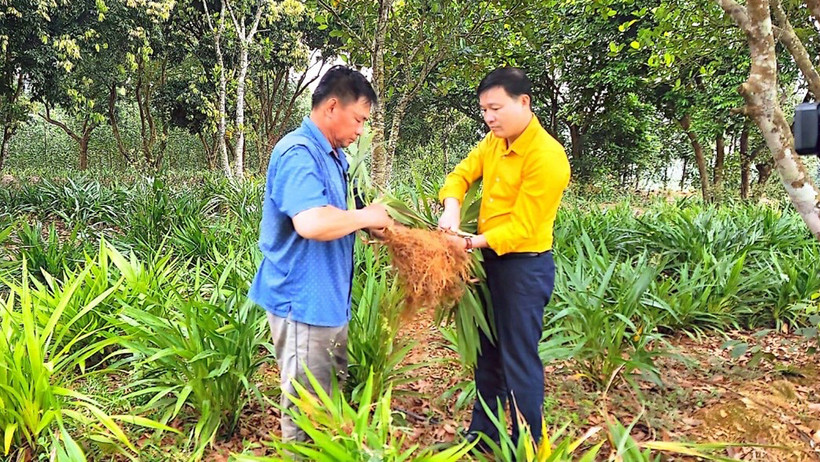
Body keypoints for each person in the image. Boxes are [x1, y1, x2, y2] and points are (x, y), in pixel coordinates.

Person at [248, 65, 392, 442]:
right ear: (332, 107)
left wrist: (372, 224)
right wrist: (366, 216)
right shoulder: (298, 152)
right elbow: (311, 222)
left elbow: (342, 214)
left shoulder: (336, 157)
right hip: (303, 304)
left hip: (329, 300)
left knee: (326, 404)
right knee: (306, 413)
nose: (360, 130)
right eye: (358, 119)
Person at [437, 67, 571, 447]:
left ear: (523, 102)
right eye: (483, 110)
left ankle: (526, 445)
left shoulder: (547, 156)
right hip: (488, 263)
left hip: (523, 268)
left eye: (495, 108)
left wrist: (469, 243)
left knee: (518, 360)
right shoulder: (493, 143)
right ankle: (483, 437)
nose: (488, 118)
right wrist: (451, 208)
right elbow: (461, 174)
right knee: (488, 355)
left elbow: (523, 228)